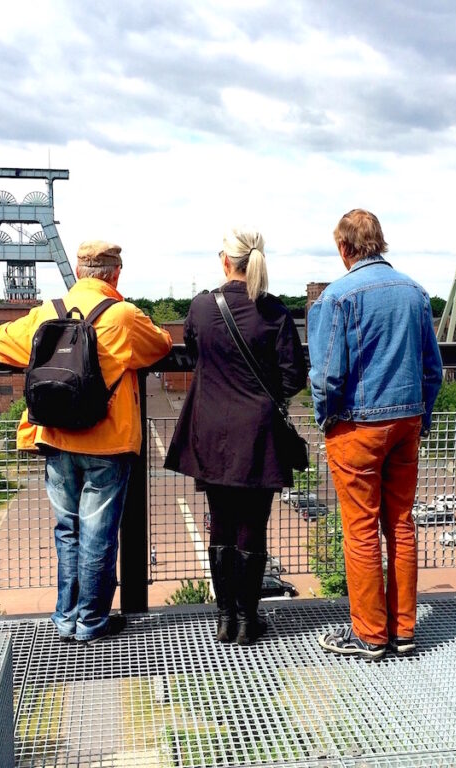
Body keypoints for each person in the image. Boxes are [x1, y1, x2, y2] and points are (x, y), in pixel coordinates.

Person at [0, 240, 172, 643]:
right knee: (97, 535)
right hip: (106, 442)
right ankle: (92, 621)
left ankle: (65, 618)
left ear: (78, 271)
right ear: (115, 274)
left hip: (54, 435)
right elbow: (160, 345)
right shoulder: (122, 316)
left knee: (67, 530)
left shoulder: (47, 313)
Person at [308, 209, 443, 661]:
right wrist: (419, 418)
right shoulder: (415, 293)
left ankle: (369, 634)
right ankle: (404, 631)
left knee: (361, 529)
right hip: (406, 422)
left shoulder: (336, 297)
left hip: (357, 426)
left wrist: (325, 418)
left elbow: (327, 376)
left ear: (344, 248)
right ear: (379, 243)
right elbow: (432, 369)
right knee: (401, 524)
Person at [165, 227, 307, 645]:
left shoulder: (202, 307)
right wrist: (263, 399)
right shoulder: (276, 312)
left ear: (225, 261)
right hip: (258, 434)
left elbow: (194, 355)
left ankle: (225, 618)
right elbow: (294, 375)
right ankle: (247, 621)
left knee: (220, 522)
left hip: (210, 430)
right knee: (253, 525)